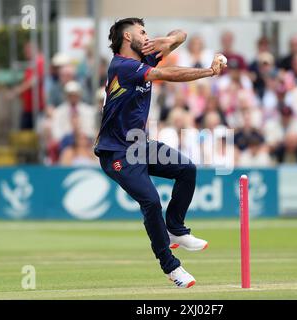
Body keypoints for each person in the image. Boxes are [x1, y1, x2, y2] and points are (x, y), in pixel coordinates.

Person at [94, 18, 226, 288]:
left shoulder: (145, 57)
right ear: (128, 38)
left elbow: (182, 34)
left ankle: (176, 229)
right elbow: (169, 74)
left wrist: (166, 42)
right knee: (152, 202)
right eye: (142, 32)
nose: (147, 35)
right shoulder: (124, 66)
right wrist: (208, 72)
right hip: (117, 153)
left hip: (139, 146)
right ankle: (171, 267)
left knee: (186, 169)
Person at [7, 42, 45, 129]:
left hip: (37, 107)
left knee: (31, 134)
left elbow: (33, 81)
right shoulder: (31, 64)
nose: (25, 53)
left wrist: (16, 91)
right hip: (29, 107)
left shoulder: (39, 61)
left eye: (27, 51)